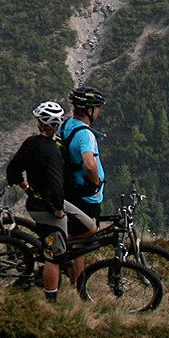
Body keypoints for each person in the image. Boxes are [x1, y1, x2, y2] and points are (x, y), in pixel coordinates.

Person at [6, 100, 69, 301]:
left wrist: (27, 188)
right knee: (54, 256)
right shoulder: (53, 150)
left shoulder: (31, 143)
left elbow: (12, 170)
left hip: (34, 202)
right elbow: (56, 186)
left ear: (40, 124)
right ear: (56, 125)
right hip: (48, 208)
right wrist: (58, 210)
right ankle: (50, 299)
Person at [59, 85, 105, 283]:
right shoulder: (85, 134)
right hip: (85, 195)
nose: (99, 112)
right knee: (83, 241)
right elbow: (89, 162)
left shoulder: (66, 125)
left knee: (74, 237)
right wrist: (95, 182)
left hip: (70, 190)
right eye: (97, 108)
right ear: (89, 110)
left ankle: (68, 272)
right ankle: (77, 284)